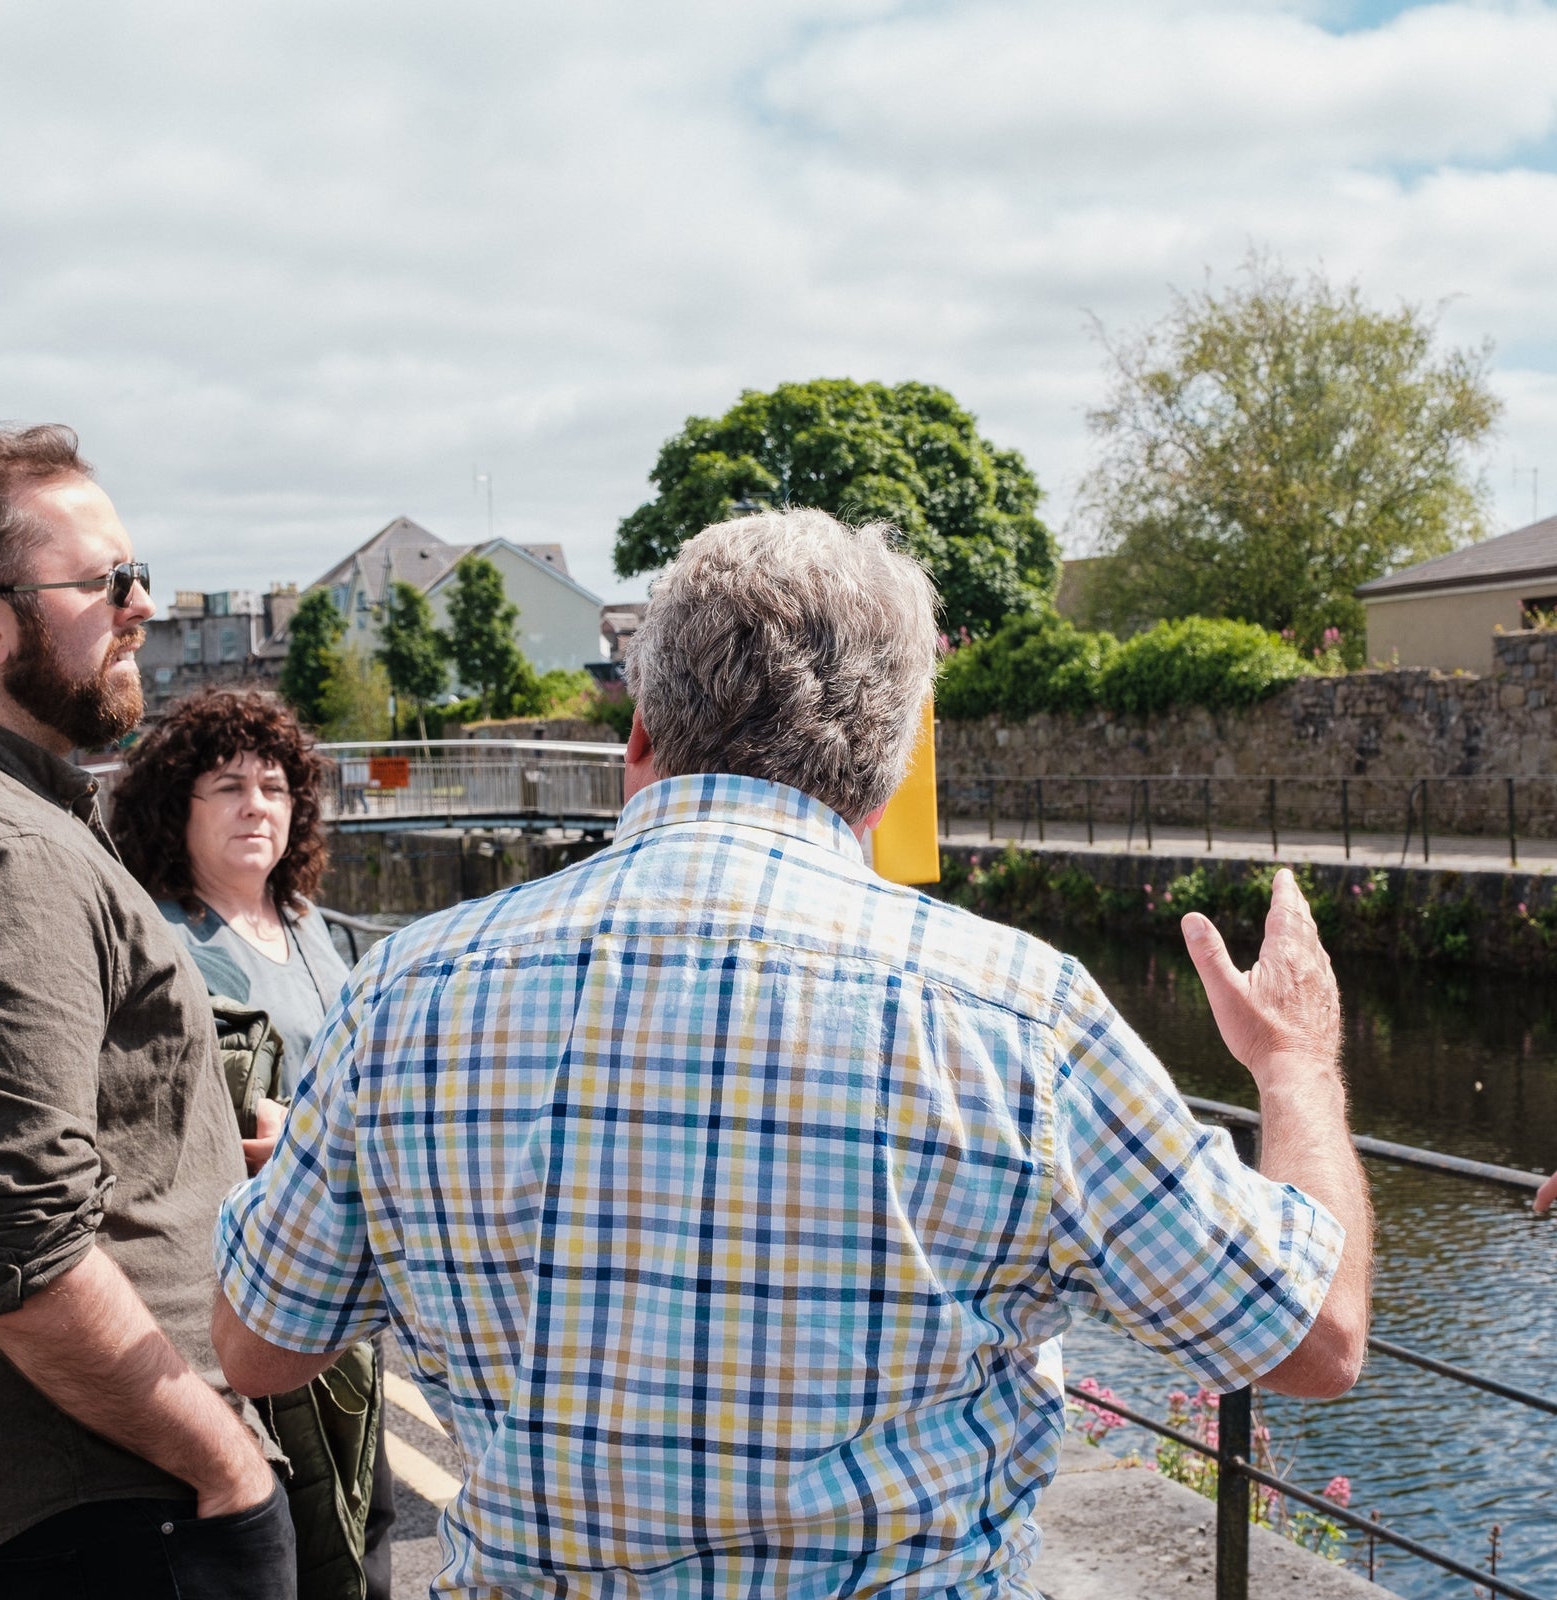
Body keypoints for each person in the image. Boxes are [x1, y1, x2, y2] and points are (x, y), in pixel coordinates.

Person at [211, 508, 1374, 1597]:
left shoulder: (407, 988)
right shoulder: (1020, 1013)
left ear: (640, 732)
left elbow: (258, 1346)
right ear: (889, 770)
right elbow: (1316, 1336)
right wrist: (1295, 1065)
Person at [0, 425, 291, 1599]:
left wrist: (205, 1140)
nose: (140, 607)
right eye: (107, 582)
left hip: (23, 1483)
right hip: (106, 1503)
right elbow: (20, 1243)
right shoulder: (1, 854)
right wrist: (226, 1467)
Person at [109, 686, 396, 1597]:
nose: (256, 807)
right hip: (233, 1284)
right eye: (228, 787)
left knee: (365, 1514)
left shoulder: (309, 924)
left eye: (274, 788)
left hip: (334, 1268)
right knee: (300, 1527)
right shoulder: (164, 939)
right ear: (177, 806)